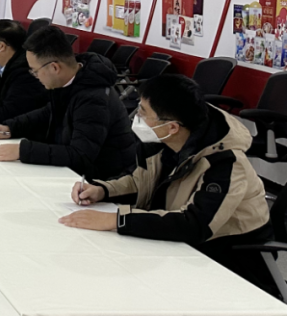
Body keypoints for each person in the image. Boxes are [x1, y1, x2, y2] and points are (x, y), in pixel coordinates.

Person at [61, 75, 276, 295]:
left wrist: (116, 220)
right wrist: (102, 190)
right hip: (181, 244)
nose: (137, 116)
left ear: (172, 127)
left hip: (229, 259)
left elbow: (194, 225)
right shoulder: (165, 142)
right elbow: (140, 180)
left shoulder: (227, 163)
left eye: (144, 112)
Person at [0, 26, 136, 179]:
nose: (34, 76)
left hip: (103, 181)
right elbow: (49, 111)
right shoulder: (71, 79)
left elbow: (80, 155)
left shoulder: (94, 99)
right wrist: (12, 127)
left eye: (35, 71)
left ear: (54, 67)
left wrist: (22, 150)